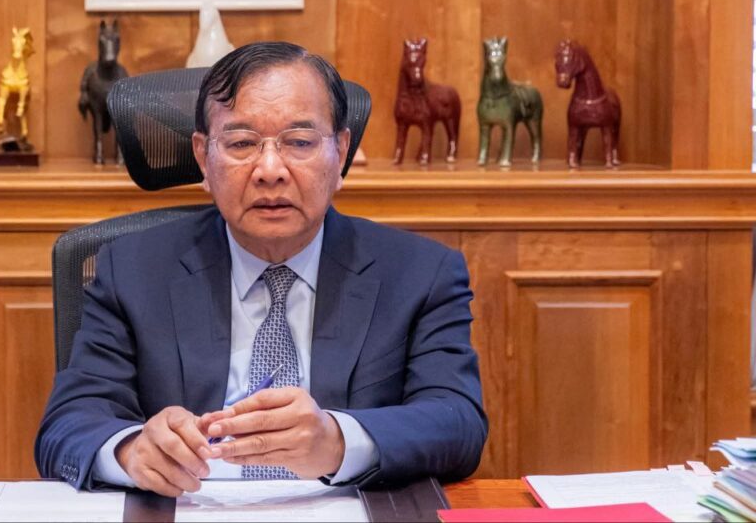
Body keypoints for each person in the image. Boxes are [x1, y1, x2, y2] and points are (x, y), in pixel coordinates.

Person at [36, 42, 487, 496]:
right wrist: (130, 451)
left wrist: (338, 441)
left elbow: (458, 423)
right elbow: (68, 424)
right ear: (203, 159)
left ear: (340, 152)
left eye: (300, 142)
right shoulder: (132, 270)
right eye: (241, 144)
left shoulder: (421, 274)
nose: (270, 170)